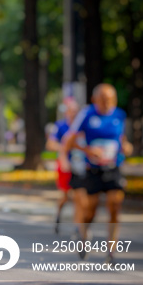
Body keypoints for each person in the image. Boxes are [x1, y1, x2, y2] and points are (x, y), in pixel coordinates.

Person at [62, 83, 132, 263]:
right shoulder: (86, 114)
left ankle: (111, 251)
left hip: (113, 168)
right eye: (103, 99)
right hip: (92, 170)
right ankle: (83, 233)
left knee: (115, 205)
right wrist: (87, 150)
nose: (107, 102)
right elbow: (69, 140)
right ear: (95, 99)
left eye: (110, 99)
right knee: (90, 211)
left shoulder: (119, 115)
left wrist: (126, 147)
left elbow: (122, 140)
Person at [47, 98, 83, 234]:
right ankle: (59, 214)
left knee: (79, 195)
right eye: (70, 111)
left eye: (75, 111)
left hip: (80, 164)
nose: (73, 113)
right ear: (66, 112)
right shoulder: (60, 126)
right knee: (66, 195)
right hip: (65, 164)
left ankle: (78, 227)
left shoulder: (81, 126)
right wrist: (64, 147)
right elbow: (50, 144)